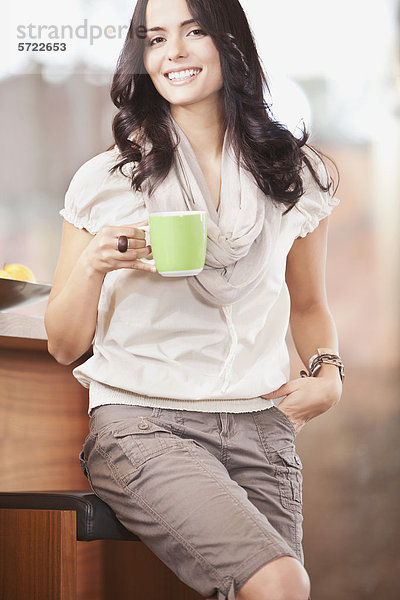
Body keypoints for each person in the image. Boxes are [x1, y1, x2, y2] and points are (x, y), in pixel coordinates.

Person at [45, 0, 344, 598]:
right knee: (280, 583)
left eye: (194, 30)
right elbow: (63, 343)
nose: (174, 52)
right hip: (144, 427)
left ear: (231, 43)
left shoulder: (295, 176)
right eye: (155, 38)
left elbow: (308, 304)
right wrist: (96, 264)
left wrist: (329, 374)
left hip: (261, 425)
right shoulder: (106, 179)